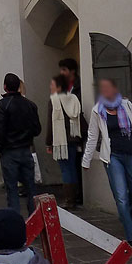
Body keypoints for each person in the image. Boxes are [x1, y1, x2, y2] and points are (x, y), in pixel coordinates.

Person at [82, 77, 132, 244]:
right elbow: (93, 136)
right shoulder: (97, 110)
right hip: (113, 157)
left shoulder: (126, 105)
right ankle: (130, 235)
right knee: (121, 196)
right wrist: (86, 160)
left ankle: (125, 216)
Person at [0, 73, 41, 214]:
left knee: (12, 189)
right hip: (25, 150)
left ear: (5, 87)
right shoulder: (30, 105)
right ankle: (34, 221)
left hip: (9, 151)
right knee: (31, 188)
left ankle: (15, 223)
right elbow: (37, 129)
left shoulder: (2, 105)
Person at [45, 74, 84, 209]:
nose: (50, 87)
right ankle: (76, 196)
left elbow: (51, 124)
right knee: (72, 167)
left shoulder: (54, 100)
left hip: (60, 140)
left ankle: (69, 199)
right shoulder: (73, 98)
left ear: (59, 87)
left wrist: (48, 142)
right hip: (74, 138)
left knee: (65, 169)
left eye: (52, 85)